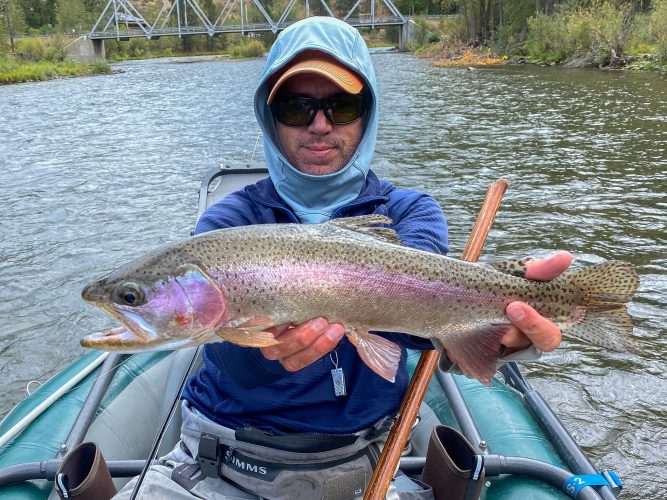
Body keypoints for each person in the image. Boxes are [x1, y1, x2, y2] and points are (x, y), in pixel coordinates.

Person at [114, 16, 569, 500]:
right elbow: (227, 359)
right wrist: (268, 356)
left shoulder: (409, 212)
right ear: (269, 118)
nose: (319, 125)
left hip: (368, 467)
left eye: (341, 105)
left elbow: (409, 324)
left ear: (367, 114)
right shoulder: (230, 223)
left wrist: (501, 337)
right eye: (296, 107)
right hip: (217, 466)